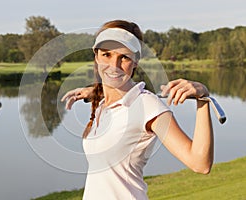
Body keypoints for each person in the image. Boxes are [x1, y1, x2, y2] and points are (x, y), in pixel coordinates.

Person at [61, 20, 214, 200]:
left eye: (124, 57)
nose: (113, 65)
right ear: (96, 56)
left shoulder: (148, 106)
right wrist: (95, 92)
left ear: (135, 61)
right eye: (106, 54)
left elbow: (200, 163)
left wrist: (203, 100)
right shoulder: (103, 104)